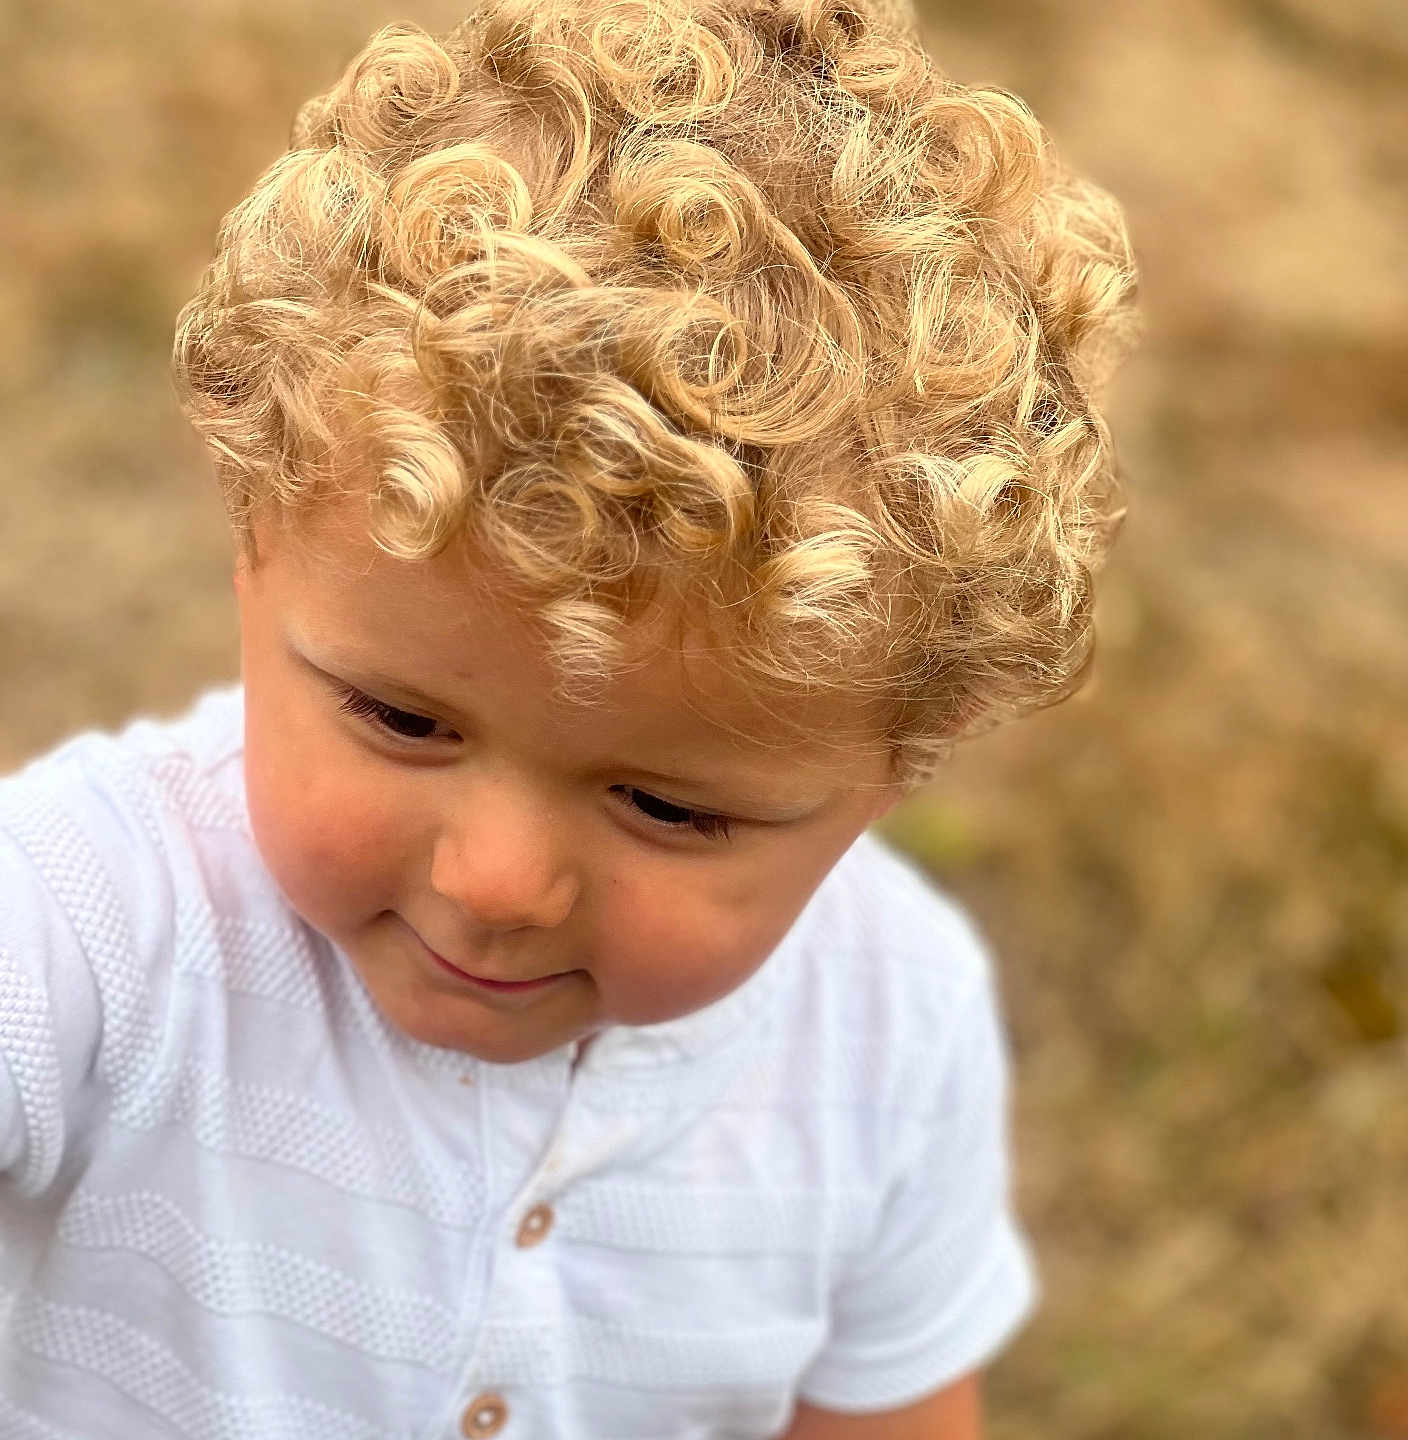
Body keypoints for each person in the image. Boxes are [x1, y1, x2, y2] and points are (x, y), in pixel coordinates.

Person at [0, 0, 1136, 1434]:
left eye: (665, 806)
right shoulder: (83, 928)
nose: (496, 883)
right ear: (253, 545)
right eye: (403, 720)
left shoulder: (893, 1026)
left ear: (902, 759)